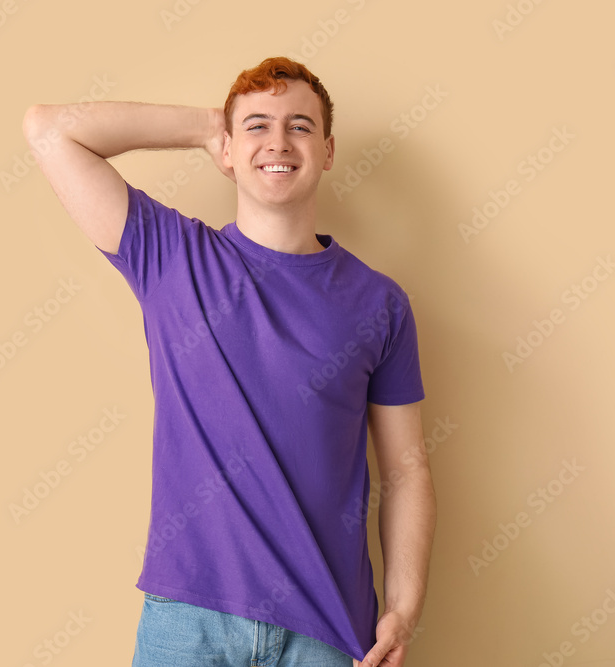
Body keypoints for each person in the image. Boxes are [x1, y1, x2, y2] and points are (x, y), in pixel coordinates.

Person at [22, 56, 436, 667]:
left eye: (299, 126)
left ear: (326, 150)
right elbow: (48, 129)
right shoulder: (169, 256)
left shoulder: (380, 303)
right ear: (227, 149)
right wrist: (205, 125)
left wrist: (402, 610)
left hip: (329, 632)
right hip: (188, 624)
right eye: (257, 126)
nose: (278, 141)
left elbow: (406, 474)